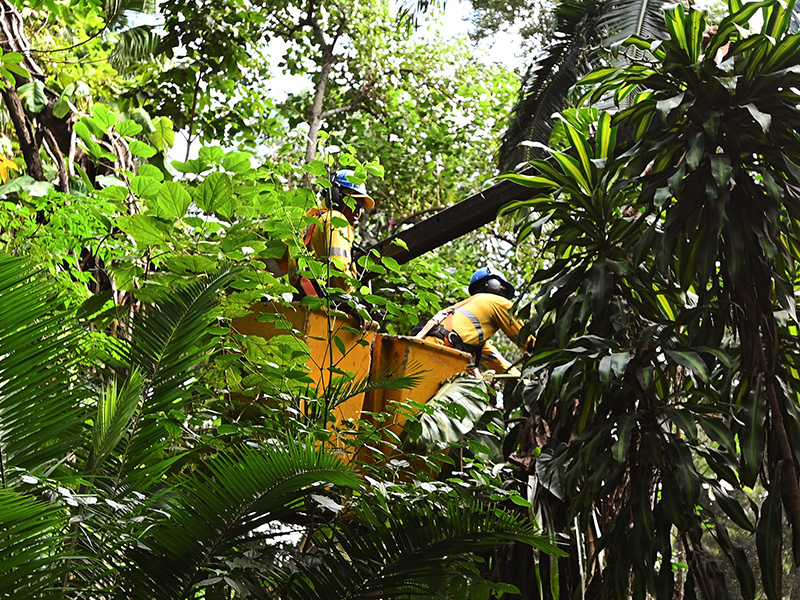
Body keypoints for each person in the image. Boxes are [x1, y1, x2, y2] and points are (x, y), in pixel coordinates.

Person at [414, 266, 533, 375]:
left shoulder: (464, 317)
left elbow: (497, 363)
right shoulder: (499, 302)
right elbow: (525, 340)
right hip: (438, 353)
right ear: (495, 285)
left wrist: (522, 380)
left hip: (420, 351)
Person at [299, 169, 374, 295]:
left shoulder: (306, 224)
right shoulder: (337, 221)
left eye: (360, 207)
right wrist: (351, 298)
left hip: (301, 302)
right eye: (353, 203)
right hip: (327, 306)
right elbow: (339, 269)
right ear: (335, 196)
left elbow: (268, 263)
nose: (357, 212)